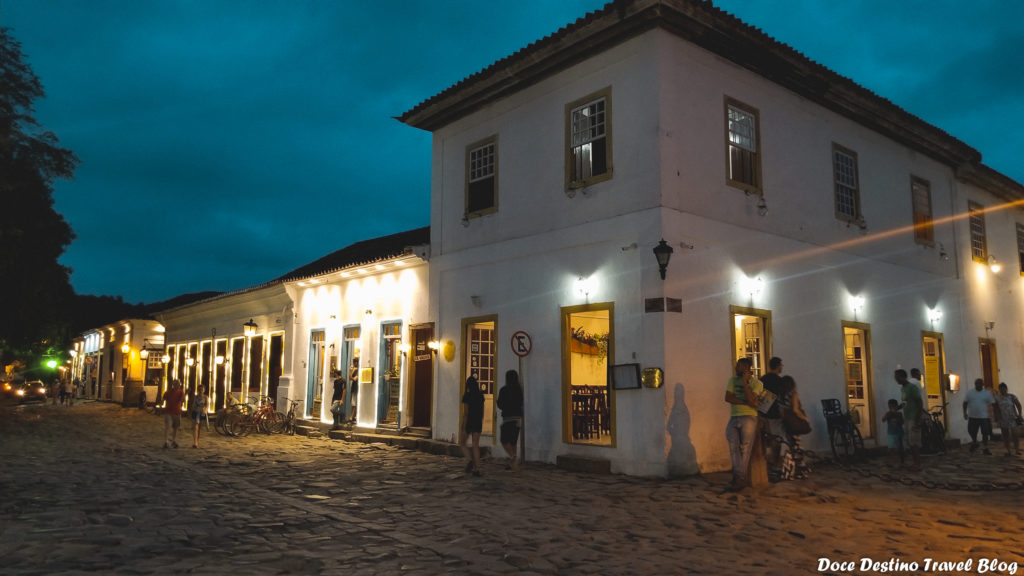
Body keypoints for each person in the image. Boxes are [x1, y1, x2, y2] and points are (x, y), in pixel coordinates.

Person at [724, 357, 763, 491]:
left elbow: (752, 399)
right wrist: (745, 402)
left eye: (739, 366)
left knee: (744, 448)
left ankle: (739, 478)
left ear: (746, 368)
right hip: (734, 416)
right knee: (733, 446)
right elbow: (728, 397)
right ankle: (740, 476)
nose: (736, 367)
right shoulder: (732, 381)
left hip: (749, 417)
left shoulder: (757, 383)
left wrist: (745, 383)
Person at [894, 369, 923, 470]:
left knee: (914, 441)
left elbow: (919, 402)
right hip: (907, 416)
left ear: (902, 377)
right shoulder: (903, 389)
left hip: (914, 417)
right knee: (909, 441)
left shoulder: (912, 387)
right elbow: (905, 402)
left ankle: (917, 463)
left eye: (897, 377)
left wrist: (918, 418)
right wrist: (897, 408)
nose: (896, 379)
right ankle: (914, 462)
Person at [496, 369, 524, 471]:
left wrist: (498, 402)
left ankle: (513, 457)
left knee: (504, 440)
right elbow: (521, 403)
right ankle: (513, 464)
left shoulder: (504, 390)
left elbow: (500, 404)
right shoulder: (519, 390)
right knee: (513, 442)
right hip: (518, 419)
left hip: (508, 418)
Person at [760, 357, 784, 466]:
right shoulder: (779, 381)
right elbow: (782, 399)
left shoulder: (763, 379)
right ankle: (773, 462)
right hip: (774, 414)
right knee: (776, 439)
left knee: (765, 440)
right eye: (781, 365)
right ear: (778, 366)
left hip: (762, 413)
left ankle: (765, 462)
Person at [460, 373, 485, 477]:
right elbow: (483, 412)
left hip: (469, 421)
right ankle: (477, 469)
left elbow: (466, 413)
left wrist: (463, 426)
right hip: (478, 421)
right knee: (475, 445)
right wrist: (480, 421)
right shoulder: (481, 396)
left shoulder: (467, 396)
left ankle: (470, 460)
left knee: (462, 443)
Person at [963, 378, 995, 455]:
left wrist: (995, 414)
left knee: (985, 433)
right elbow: (965, 403)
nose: (978, 385)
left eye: (980, 384)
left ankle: (985, 448)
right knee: (971, 431)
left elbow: (993, 403)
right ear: (975, 384)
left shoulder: (986, 393)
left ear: (983, 384)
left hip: (984, 417)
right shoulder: (970, 393)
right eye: (977, 383)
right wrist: (964, 413)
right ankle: (975, 442)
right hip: (973, 416)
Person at [994, 383, 1022, 456]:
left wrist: (1019, 414)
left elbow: (1018, 405)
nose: (1002, 390)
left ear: (1006, 389)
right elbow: (996, 408)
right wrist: (996, 417)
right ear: (999, 389)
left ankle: (1017, 449)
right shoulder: (997, 398)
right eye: (1000, 388)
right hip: (1003, 418)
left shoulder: (1012, 396)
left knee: (1015, 434)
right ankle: (1008, 450)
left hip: (1013, 418)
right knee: (1005, 435)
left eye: (1003, 388)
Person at [881, 399, 905, 465]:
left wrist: (897, 420)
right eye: (890, 407)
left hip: (899, 433)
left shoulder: (899, 414)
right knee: (891, 448)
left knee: (900, 447)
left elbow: (902, 422)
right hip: (891, 433)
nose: (892, 408)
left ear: (896, 406)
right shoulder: (888, 413)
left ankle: (901, 460)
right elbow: (883, 420)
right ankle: (891, 461)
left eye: (893, 407)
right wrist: (888, 415)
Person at [163, 379, 185, 449]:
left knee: (175, 427)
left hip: (177, 412)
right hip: (168, 411)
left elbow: (182, 400)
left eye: (178, 384)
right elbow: (163, 399)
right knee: (168, 426)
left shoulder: (181, 392)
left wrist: (185, 395)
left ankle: (173, 440)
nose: (177, 385)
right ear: (173, 385)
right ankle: (166, 441)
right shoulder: (168, 392)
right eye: (175, 384)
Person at [348, 358, 360, 424]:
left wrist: (351, 372)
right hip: (354, 388)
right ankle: (352, 416)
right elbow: (350, 378)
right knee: (353, 403)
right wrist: (350, 371)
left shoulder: (359, 370)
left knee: (355, 403)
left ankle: (352, 417)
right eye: (354, 362)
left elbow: (354, 379)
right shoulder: (355, 370)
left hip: (357, 388)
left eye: (355, 362)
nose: (354, 364)